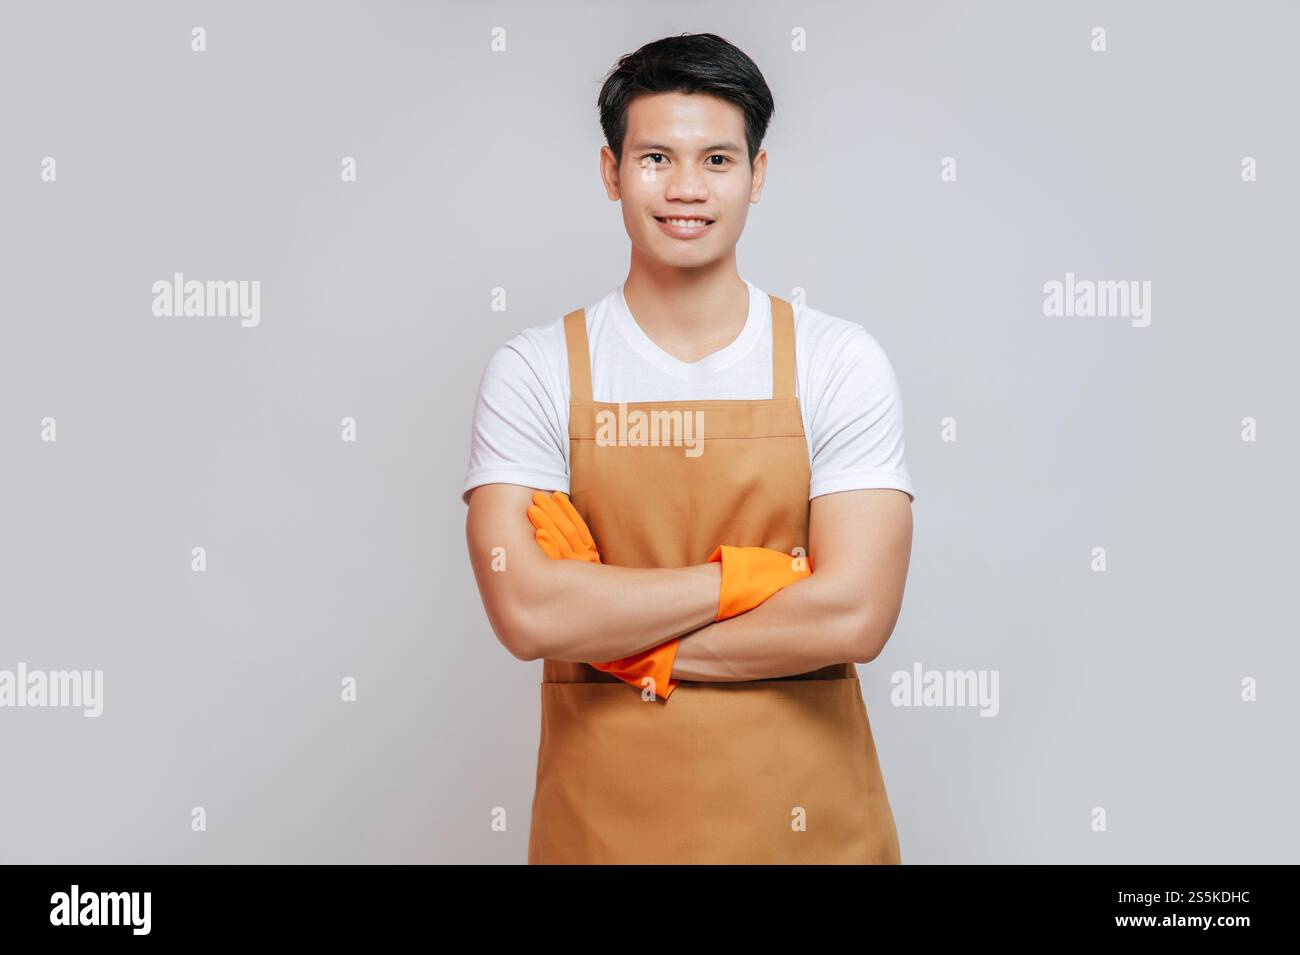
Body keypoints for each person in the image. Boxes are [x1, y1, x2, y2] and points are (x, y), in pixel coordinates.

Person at [462, 32, 915, 864]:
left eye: (717, 160)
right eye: (655, 158)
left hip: (814, 834)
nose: (685, 189)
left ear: (758, 175)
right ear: (611, 172)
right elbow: (527, 612)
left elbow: (856, 611)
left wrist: (616, 633)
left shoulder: (838, 361)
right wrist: (754, 577)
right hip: (604, 833)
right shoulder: (536, 371)